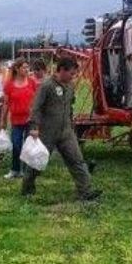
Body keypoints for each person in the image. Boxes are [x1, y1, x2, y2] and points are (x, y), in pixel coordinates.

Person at [21, 57, 101, 201]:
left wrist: (71, 125)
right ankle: (27, 186)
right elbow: (36, 107)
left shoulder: (70, 86)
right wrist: (34, 127)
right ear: (62, 70)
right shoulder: (47, 86)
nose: (73, 76)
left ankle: (86, 191)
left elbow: (70, 106)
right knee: (38, 161)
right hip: (47, 132)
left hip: (66, 131)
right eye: (71, 73)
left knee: (77, 160)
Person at [0, 57, 37, 179]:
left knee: (28, 146)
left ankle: (27, 171)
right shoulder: (9, 85)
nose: (27, 69)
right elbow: (5, 103)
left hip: (30, 120)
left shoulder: (32, 82)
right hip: (15, 120)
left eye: (27, 67)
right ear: (17, 68)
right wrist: (2, 120)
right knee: (16, 145)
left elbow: (37, 101)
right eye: (24, 67)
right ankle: (15, 169)